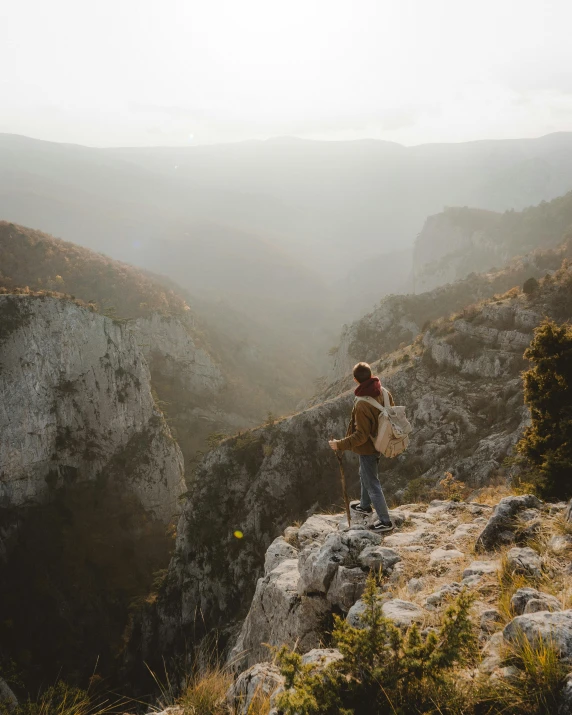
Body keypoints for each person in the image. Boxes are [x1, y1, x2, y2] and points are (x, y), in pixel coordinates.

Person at [328, 362, 394, 533]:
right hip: (382, 441)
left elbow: (361, 435)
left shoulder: (362, 404)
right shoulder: (383, 391)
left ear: (355, 379)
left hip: (369, 447)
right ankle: (365, 506)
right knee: (364, 473)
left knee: (372, 482)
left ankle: (385, 522)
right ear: (370, 375)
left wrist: (339, 444)